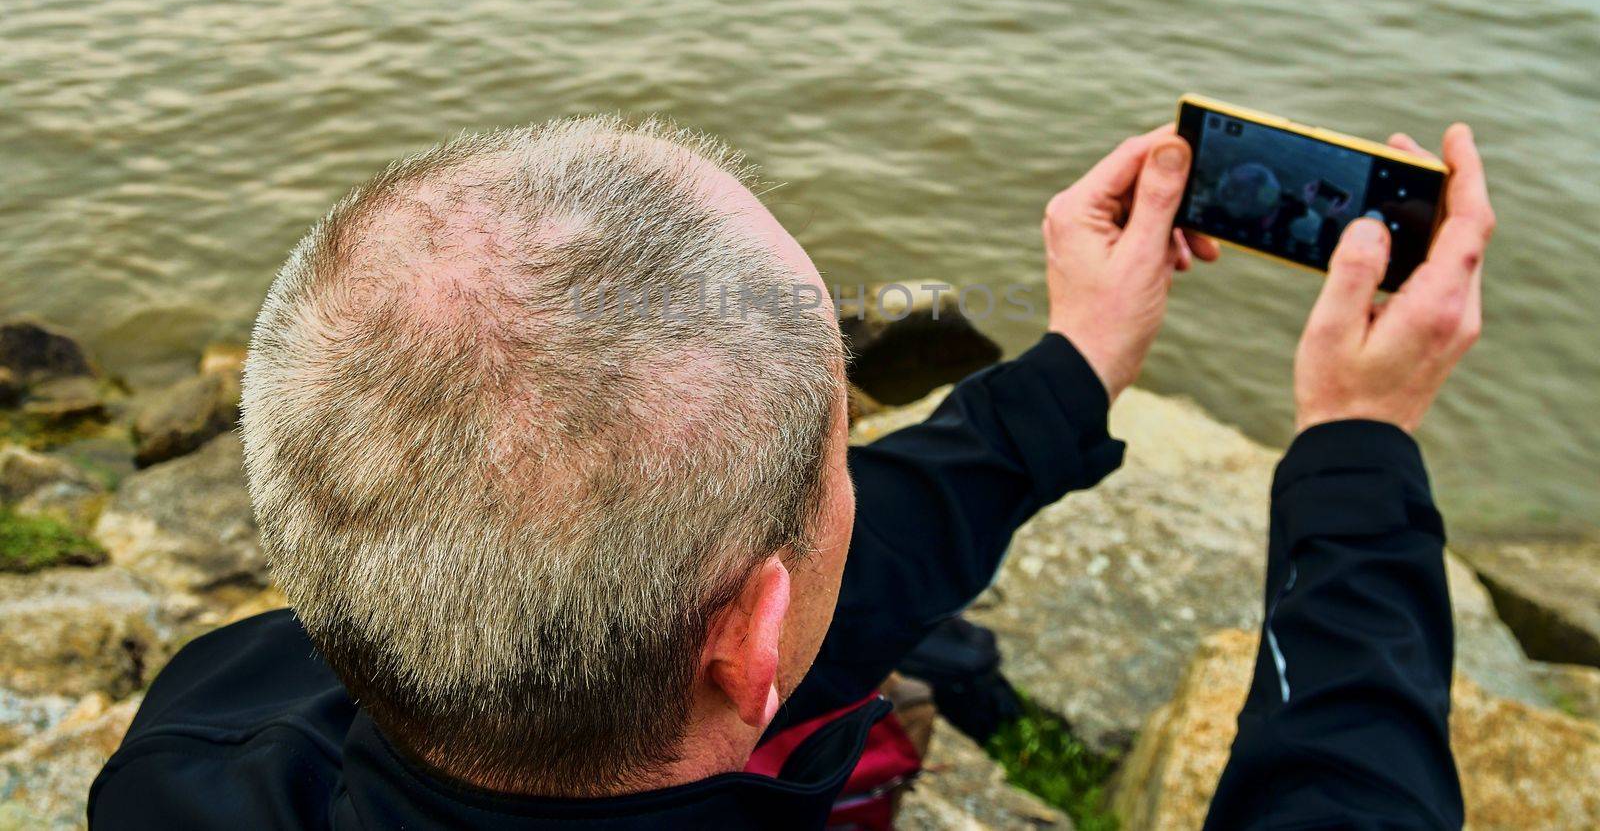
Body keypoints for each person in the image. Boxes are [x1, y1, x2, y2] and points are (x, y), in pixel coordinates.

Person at [89, 117, 1492, 830]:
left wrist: (1077, 365)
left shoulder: (197, 751)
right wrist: (1358, 442)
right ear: (753, 645)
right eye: (841, 461)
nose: (856, 493)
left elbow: (821, 582)